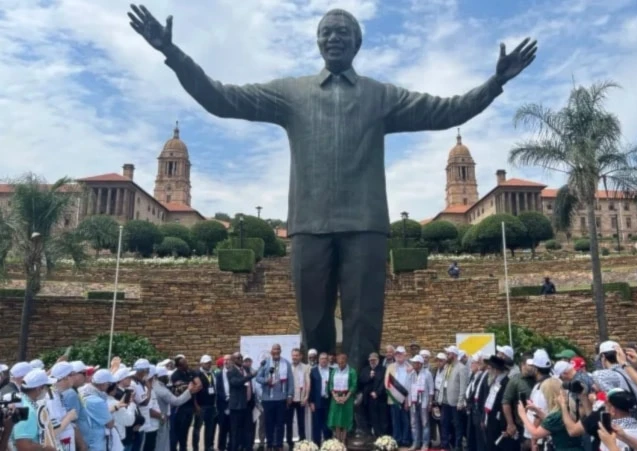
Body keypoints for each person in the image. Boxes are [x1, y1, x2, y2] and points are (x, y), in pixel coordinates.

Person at [127, 4, 537, 370]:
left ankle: (362, 408)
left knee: (363, 326)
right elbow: (220, 98)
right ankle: (319, 406)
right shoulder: (291, 94)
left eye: (343, 32)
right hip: (309, 224)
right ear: (318, 42)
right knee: (314, 326)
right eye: (327, 31)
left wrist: (494, 82)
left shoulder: (382, 96)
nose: (334, 37)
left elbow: (448, 110)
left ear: (357, 42)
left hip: (365, 225)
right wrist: (172, 53)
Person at [517, 378, 581, 451]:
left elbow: (535, 433)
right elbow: (553, 423)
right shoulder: (569, 408)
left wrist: (523, 415)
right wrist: (537, 410)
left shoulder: (557, 415)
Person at [10, 369, 57, 451]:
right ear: (39, 388)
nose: (48, 390)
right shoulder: (28, 410)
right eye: (47, 386)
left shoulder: (21, 400)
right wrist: (48, 449)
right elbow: (24, 446)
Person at [327, 353, 357, 443]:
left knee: (344, 420)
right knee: (336, 419)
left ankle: (343, 440)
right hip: (335, 399)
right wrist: (335, 397)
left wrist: (346, 398)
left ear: (346, 362)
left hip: (347, 399)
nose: (340, 365)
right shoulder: (334, 371)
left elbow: (353, 385)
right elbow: (331, 384)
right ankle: (337, 440)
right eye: (339, 363)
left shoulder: (351, 371)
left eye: (342, 363)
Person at [482, 356, 510, 451]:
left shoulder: (506, 383)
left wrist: (504, 426)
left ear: (495, 370)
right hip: (490, 421)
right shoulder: (494, 382)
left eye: (489, 369)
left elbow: (505, 405)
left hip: (498, 424)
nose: (488, 371)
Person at [407, 355, 434, 451]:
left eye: (415, 363)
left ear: (420, 364)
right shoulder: (411, 374)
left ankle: (425, 444)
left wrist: (430, 403)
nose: (413, 364)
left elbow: (431, 390)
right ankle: (415, 443)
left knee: (425, 423)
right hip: (413, 402)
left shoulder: (427, 374)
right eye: (413, 362)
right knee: (414, 423)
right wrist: (407, 401)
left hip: (424, 402)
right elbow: (408, 389)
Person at [309, 353, 333, 446]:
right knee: (316, 425)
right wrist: (311, 402)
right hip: (317, 401)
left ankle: (328, 445)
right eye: (322, 358)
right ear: (318, 360)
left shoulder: (332, 371)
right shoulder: (313, 371)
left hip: (329, 401)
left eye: (325, 358)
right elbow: (310, 387)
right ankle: (316, 445)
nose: (323, 360)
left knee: (328, 424)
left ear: (328, 360)